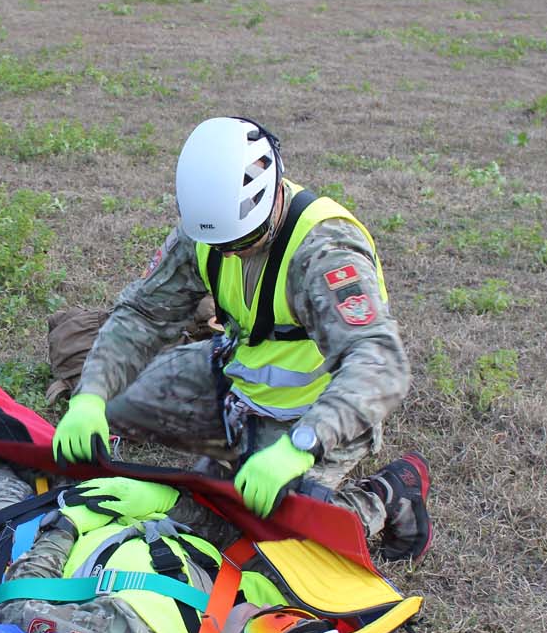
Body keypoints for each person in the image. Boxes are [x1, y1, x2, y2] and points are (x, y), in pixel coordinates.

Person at [51, 117, 432, 563]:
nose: (232, 253)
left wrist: (300, 446)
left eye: (245, 240)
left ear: (272, 197)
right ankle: (228, 453)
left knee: (265, 545)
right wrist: (91, 397)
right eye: (223, 245)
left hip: (308, 413)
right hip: (232, 376)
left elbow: (380, 364)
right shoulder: (205, 234)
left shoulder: (325, 251)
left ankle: (388, 496)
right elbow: (142, 313)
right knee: (109, 415)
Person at [0, 460, 340, 633]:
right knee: (35, 441)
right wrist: (166, 502)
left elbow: (16, 608)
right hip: (118, 503)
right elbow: (229, 538)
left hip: (35, 534)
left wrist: (64, 527)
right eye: (285, 617)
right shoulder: (262, 585)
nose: (264, 612)